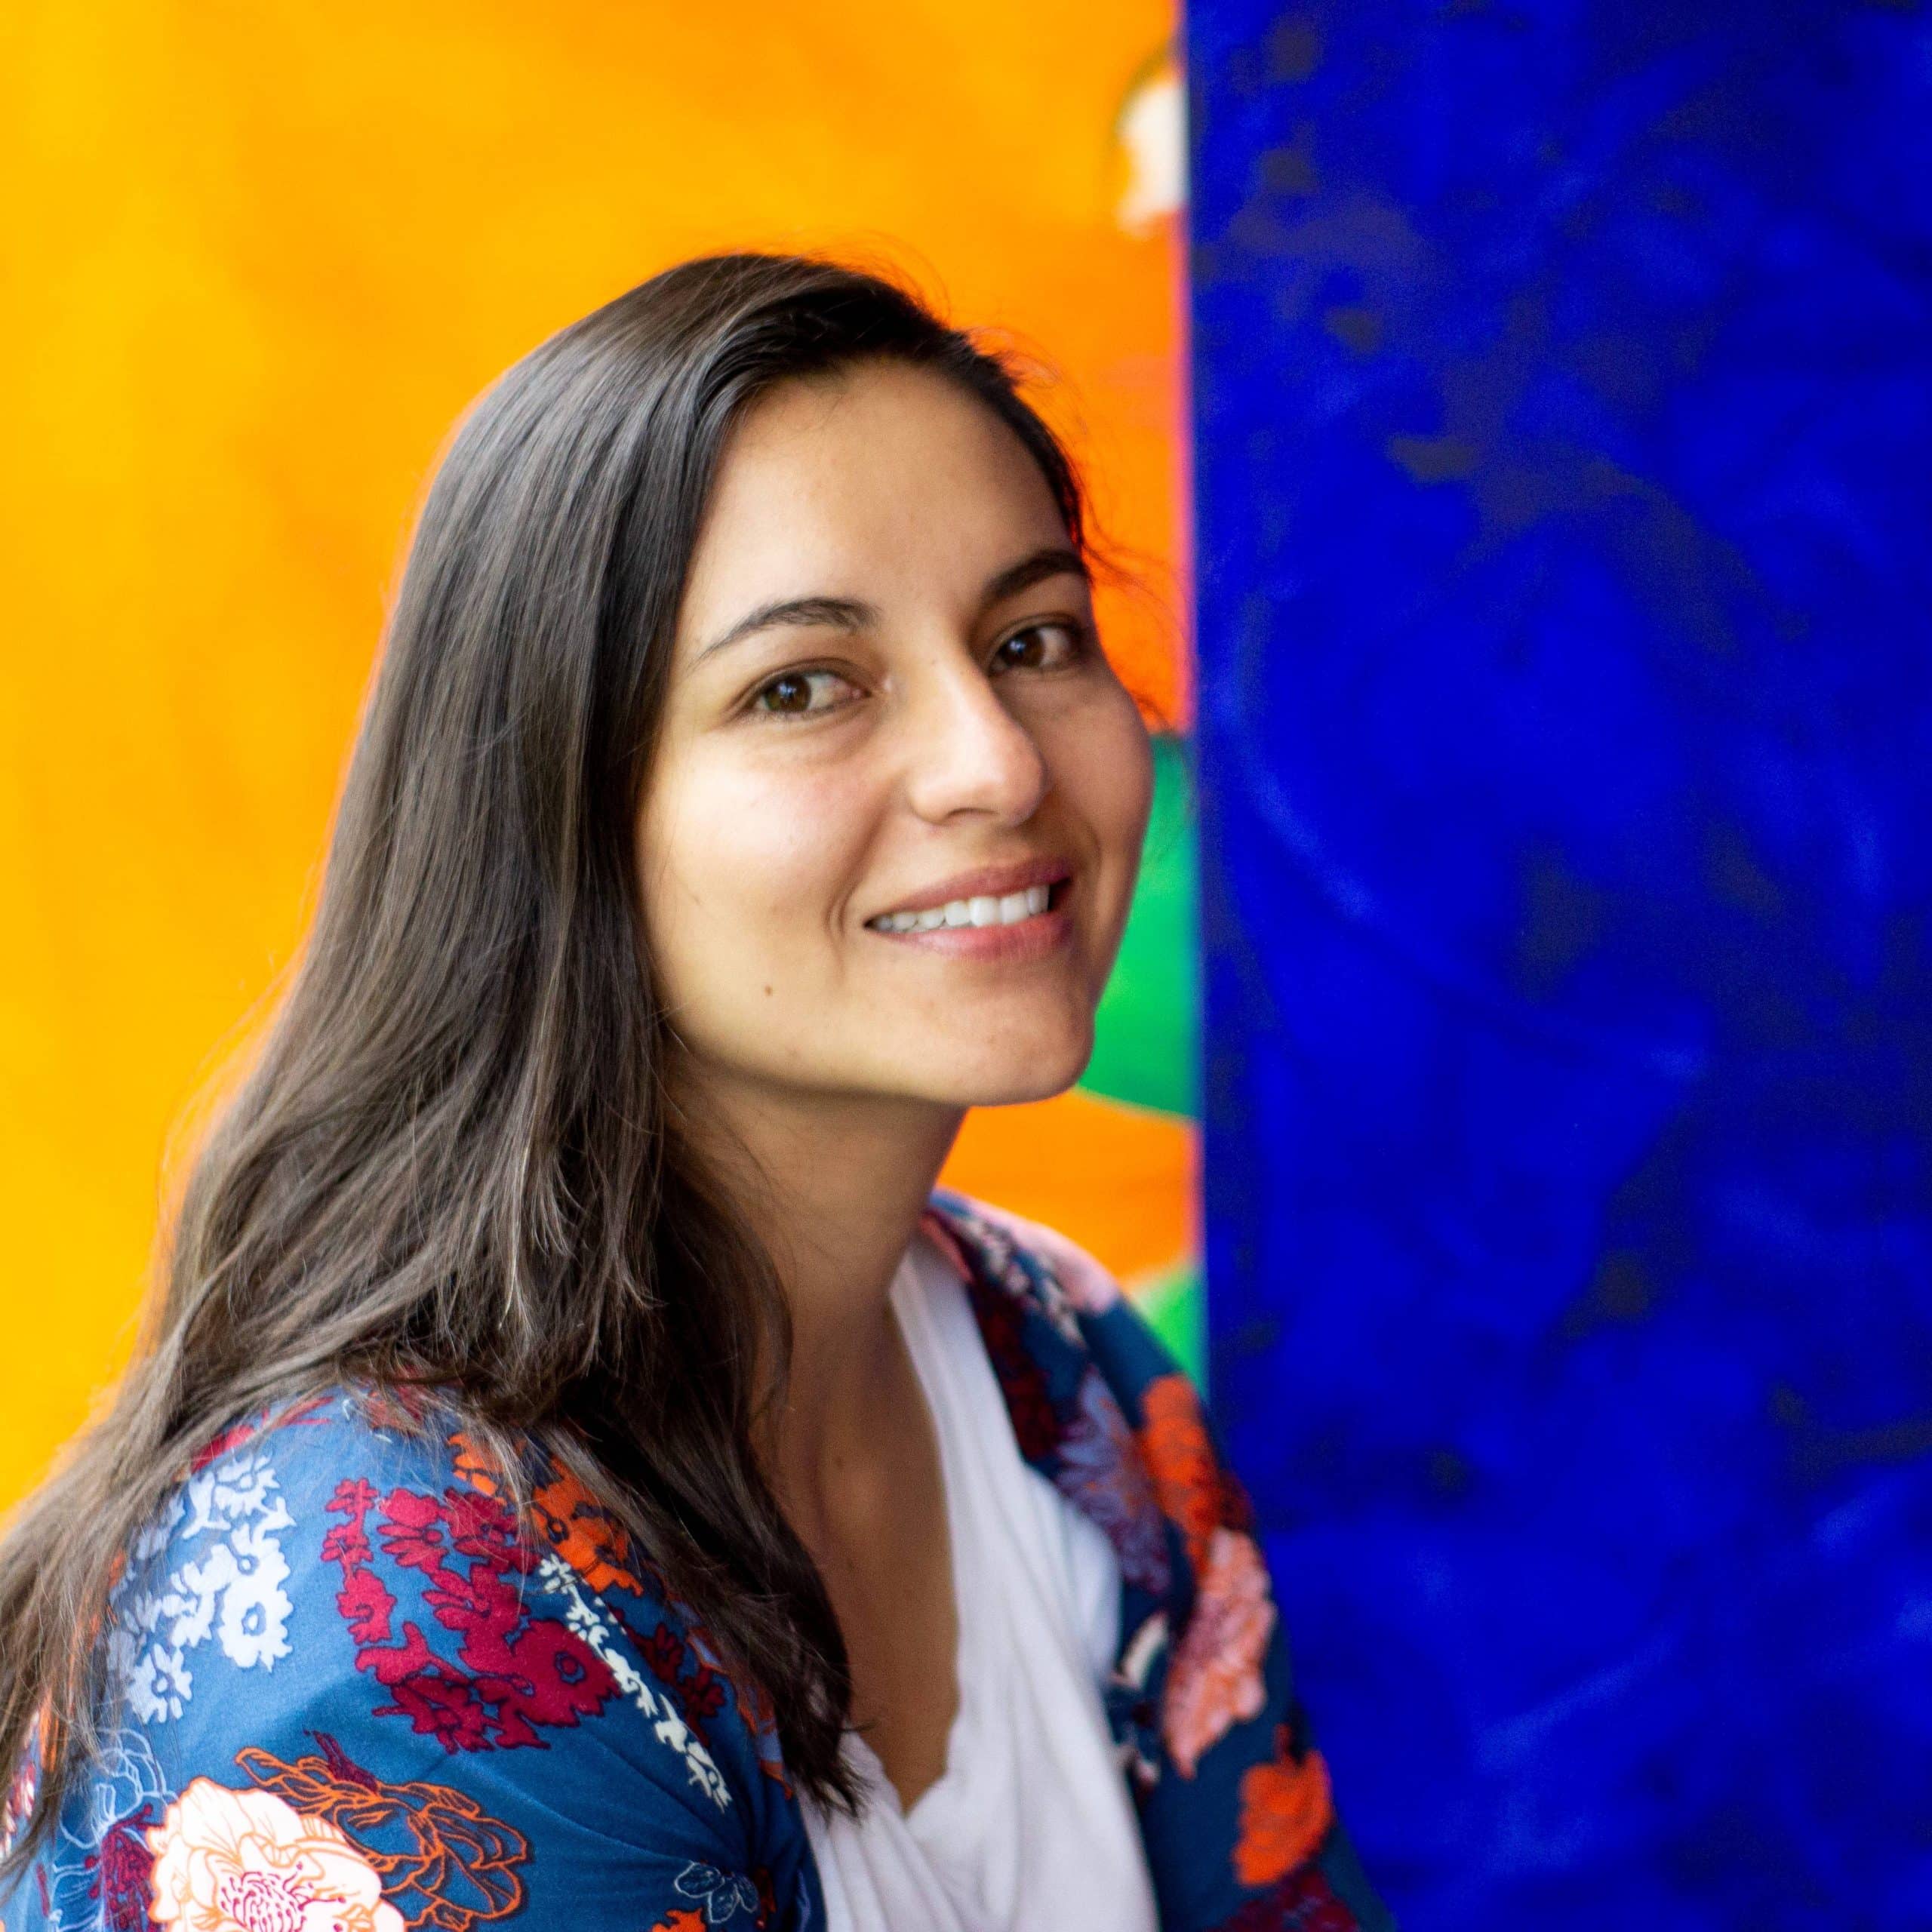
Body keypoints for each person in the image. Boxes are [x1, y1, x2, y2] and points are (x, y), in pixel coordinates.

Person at [0, 251, 1395, 1932]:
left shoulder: (1054, 1357)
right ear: (560, 819)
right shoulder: (405, 1606)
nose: (999, 760)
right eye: (801, 685)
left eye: (1032, 639)